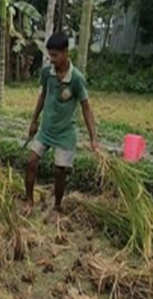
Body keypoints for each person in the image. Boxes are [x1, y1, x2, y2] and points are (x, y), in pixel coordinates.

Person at [23, 33, 103, 215]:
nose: (51, 59)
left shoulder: (76, 78)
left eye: (55, 55)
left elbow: (86, 108)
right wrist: (34, 121)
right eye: (49, 55)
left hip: (65, 133)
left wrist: (94, 139)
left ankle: (57, 206)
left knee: (60, 171)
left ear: (66, 52)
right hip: (46, 129)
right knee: (31, 163)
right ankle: (29, 201)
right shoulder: (47, 73)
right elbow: (42, 96)